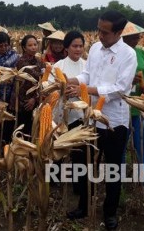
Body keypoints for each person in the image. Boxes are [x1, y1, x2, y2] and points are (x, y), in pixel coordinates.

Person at [66, 10, 137, 230]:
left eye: (104, 32)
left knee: (112, 169)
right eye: (98, 29)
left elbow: (120, 88)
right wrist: (69, 80)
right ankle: (84, 206)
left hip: (114, 121)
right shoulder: (96, 49)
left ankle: (110, 213)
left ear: (118, 32)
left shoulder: (128, 54)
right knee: (87, 165)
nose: (99, 35)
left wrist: (86, 88)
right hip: (91, 119)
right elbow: (87, 74)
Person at [121, 21, 144, 193]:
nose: (137, 39)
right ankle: (118, 179)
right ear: (124, 37)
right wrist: (129, 81)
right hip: (121, 107)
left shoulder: (141, 53)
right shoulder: (117, 54)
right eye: (134, 37)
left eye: (138, 36)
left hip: (140, 106)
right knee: (120, 145)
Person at [50, 31, 87, 193]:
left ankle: (78, 184)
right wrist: (61, 91)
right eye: (74, 46)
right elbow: (48, 89)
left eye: (80, 46)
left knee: (79, 151)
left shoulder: (87, 66)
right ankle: (54, 179)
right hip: (60, 114)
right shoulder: (58, 66)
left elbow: (91, 88)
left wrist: (79, 92)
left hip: (81, 115)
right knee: (58, 147)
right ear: (66, 47)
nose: (78, 49)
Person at [9, 35, 43, 135]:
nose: (33, 47)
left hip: (33, 101)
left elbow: (42, 82)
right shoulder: (19, 62)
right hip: (19, 103)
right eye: (30, 45)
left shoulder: (40, 62)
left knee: (29, 131)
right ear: (24, 48)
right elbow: (17, 85)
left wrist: (35, 99)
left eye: (35, 44)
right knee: (19, 130)